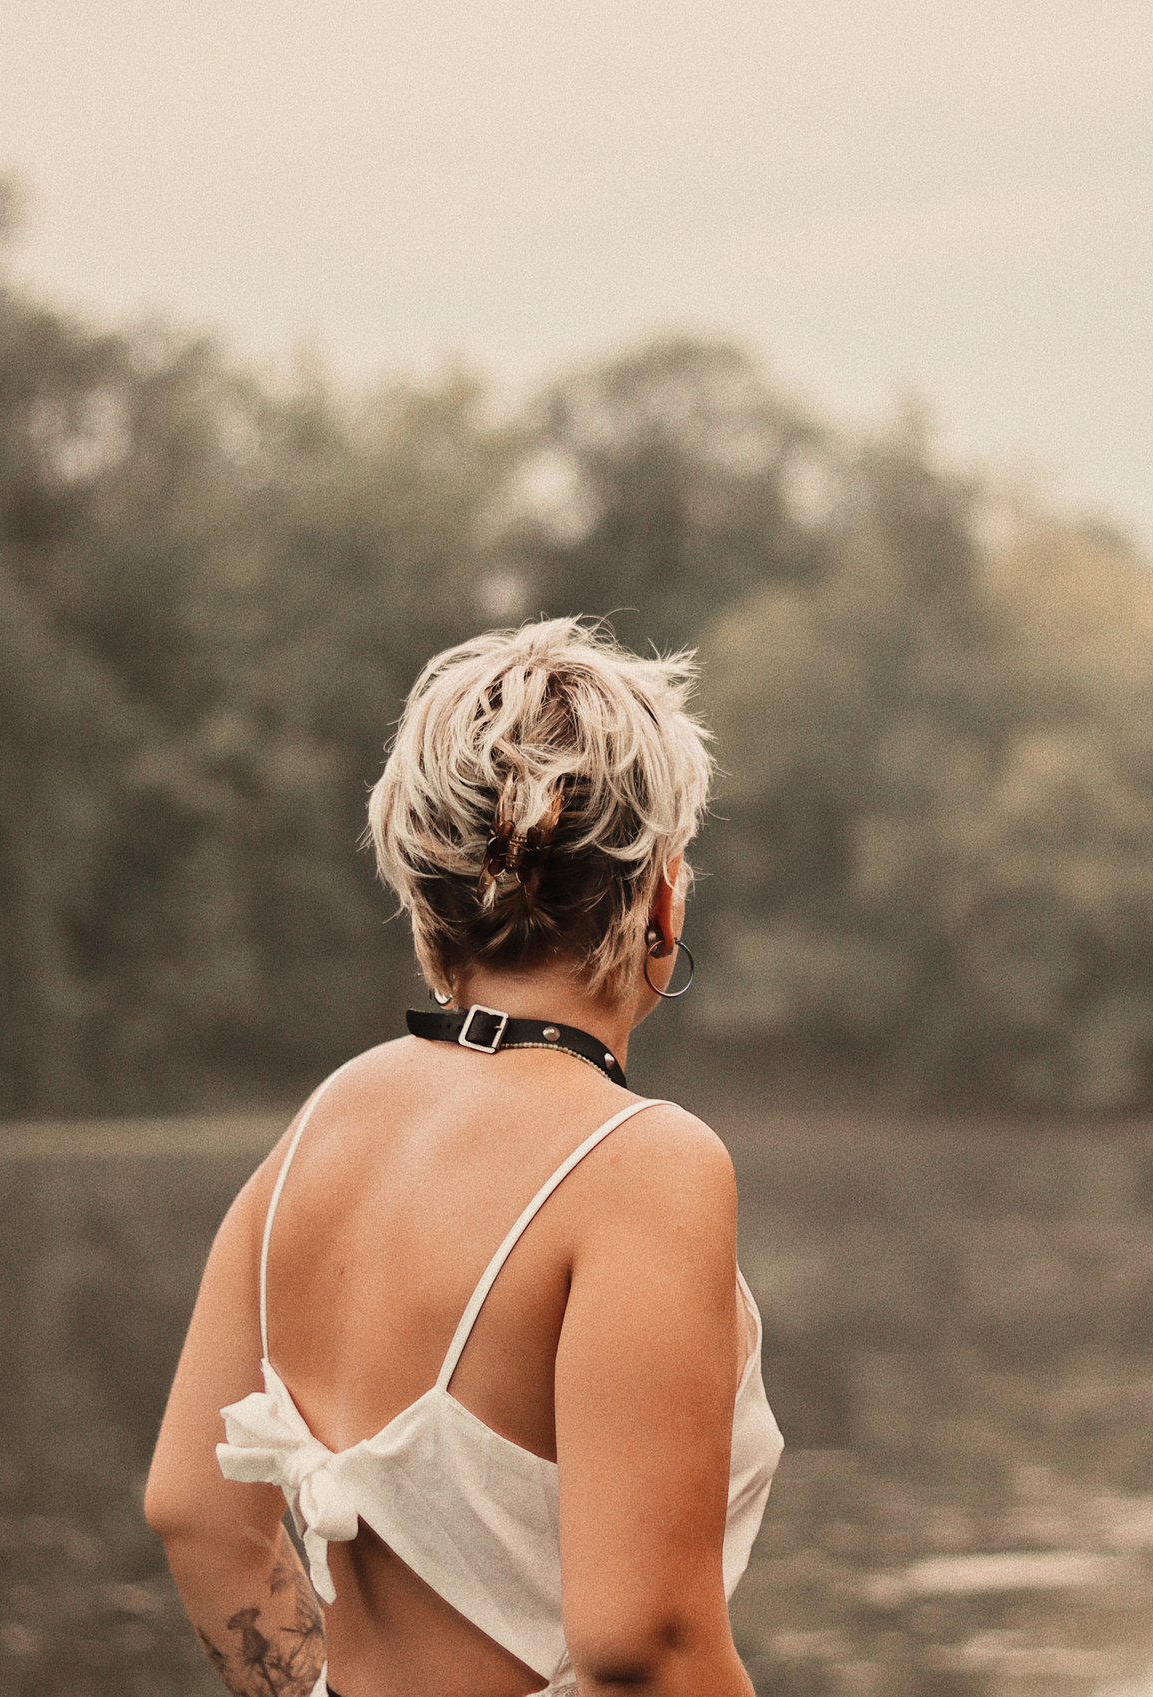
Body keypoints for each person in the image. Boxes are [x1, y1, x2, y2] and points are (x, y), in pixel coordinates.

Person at [146, 617, 781, 1697]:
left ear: (425, 894)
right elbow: (648, 1641)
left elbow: (198, 1512)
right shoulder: (645, 1162)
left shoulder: (328, 1121)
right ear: (660, 897)